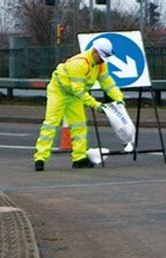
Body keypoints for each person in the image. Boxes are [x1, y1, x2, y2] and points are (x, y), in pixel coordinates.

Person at [33, 38, 124, 171]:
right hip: (59, 92)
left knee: (79, 125)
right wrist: (96, 105)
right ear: (95, 52)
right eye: (102, 57)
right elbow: (79, 91)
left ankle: (79, 159)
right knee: (51, 124)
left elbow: (107, 83)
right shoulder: (79, 64)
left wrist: (118, 99)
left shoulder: (100, 65)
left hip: (73, 95)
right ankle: (40, 158)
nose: (103, 61)